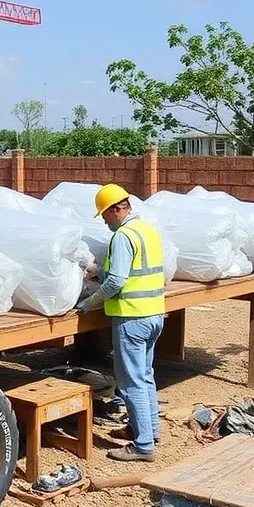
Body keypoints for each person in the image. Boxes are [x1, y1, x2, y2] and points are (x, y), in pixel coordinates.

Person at [76, 184, 165, 462]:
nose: (104, 220)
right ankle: (149, 431)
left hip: (132, 317)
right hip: (154, 315)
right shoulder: (147, 231)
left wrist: (89, 304)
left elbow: (118, 280)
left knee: (130, 383)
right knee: (145, 376)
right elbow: (134, 271)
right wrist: (99, 272)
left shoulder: (123, 236)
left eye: (105, 215)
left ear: (117, 209)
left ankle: (142, 446)